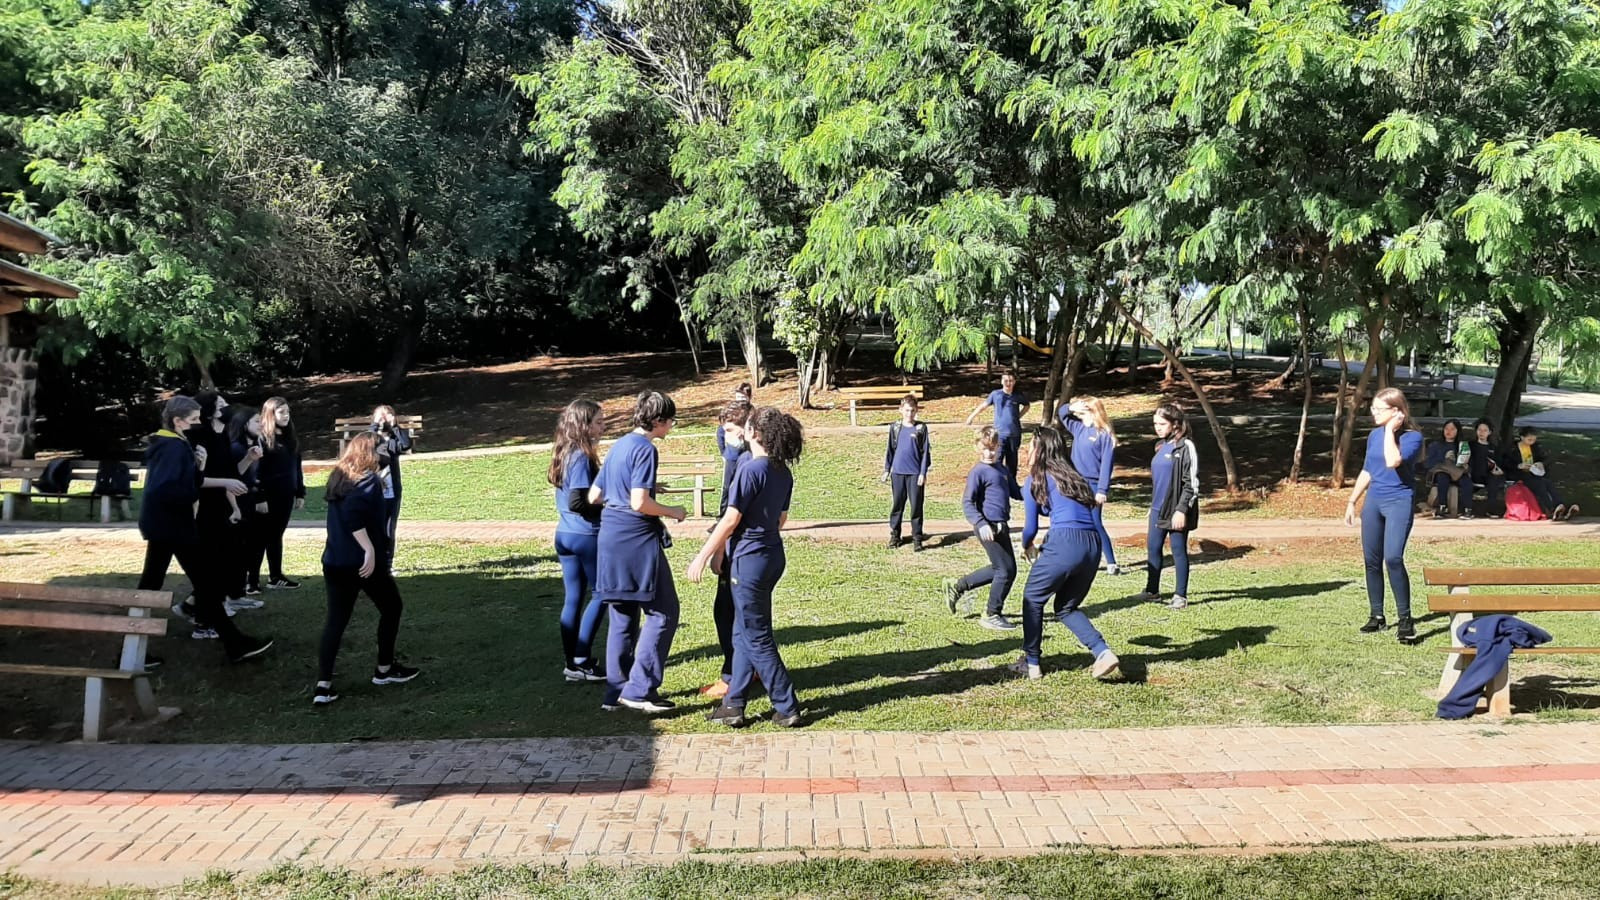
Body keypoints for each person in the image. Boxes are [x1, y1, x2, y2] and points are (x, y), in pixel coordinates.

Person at [689, 406, 805, 728]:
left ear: (754, 433)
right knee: (742, 632)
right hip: (771, 556)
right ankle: (733, 704)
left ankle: (786, 706)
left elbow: (730, 519)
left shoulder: (751, 469)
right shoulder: (782, 471)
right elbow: (781, 519)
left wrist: (702, 556)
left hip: (749, 562)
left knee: (757, 637)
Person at [136, 396, 272, 662]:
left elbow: (183, 479)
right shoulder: (172, 446)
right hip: (171, 526)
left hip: (165, 525)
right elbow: (165, 488)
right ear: (178, 421)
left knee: (163, 583)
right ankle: (234, 643)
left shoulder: (172, 442)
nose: (198, 424)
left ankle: (132, 651)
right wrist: (192, 496)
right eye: (194, 419)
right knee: (203, 583)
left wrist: (199, 465)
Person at [590, 390, 687, 714]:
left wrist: (641, 487)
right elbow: (639, 503)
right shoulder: (646, 448)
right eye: (671, 420)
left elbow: (594, 496)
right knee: (664, 612)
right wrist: (673, 511)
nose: (671, 426)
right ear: (658, 420)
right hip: (636, 539)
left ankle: (615, 694)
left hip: (610, 536)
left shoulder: (618, 445)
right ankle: (640, 690)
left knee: (622, 613)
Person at [314, 432, 418, 705]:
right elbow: (353, 517)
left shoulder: (340, 477)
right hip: (362, 563)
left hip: (334, 561)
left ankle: (323, 686)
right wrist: (369, 549)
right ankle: (384, 670)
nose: (387, 453)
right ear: (370, 452)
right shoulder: (368, 480)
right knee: (392, 607)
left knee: (336, 621)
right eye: (382, 448)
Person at [1016, 424, 1120, 681]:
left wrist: (1026, 545)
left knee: (1033, 599)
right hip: (1092, 545)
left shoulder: (1035, 479)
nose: (1026, 450)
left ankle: (1031, 664)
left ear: (1040, 450)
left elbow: (1030, 528)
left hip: (1065, 541)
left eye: (1030, 445)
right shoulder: (1075, 478)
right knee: (1065, 607)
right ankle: (1103, 652)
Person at [1344, 387, 1426, 643]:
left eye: (1379, 409)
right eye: (1373, 408)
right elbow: (1369, 469)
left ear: (1397, 411)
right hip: (1374, 501)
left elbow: (1393, 461)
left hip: (1399, 501)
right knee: (1371, 560)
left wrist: (1390, 431)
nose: (1374, 413)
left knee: (1393, 558)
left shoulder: (1413, 438)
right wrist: (1352, 501)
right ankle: (1377, 615)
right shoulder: (1374, 435)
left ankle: (1405, 619)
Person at [548, 399, 608, 683]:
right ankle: (582, 661)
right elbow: (578, 502)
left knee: (573, 598)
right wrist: (610, 504)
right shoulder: (581, 456)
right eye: (599, 422)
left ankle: (571, 663)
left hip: (565, 534)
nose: (604, 427)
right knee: (602, 593)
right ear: (583, 426)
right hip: (585, 535)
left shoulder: (564, 451)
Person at [944, 426, 1022, 630]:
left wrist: (1037, 490)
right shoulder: (978, 472)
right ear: (977, 447)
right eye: (985, 448)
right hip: (987, 527)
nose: (989, 453)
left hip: (1001, 526)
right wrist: (981, 523)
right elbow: (968, 503)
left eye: (993, 448)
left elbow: (1016, 492)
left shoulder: (1002, 470)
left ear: (998, 447)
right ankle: (992, 614)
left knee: (1005, 569)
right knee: (1004, 571)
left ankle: (958, 586)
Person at [704, 399, 754, 698]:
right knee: (741, 613)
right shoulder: (754, 458)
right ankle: (748, 669)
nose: (727, 437)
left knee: (727, 613)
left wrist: (717, 551)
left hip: (737, 547)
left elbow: (731, 514)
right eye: (724, 431)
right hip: (752, 547)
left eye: (732, 430)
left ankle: (733, 675)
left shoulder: (743, 461)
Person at [1133, 403, 1200, 610]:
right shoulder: (1160, 446)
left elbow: (1191, 484)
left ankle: (1180, 596)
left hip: (1176, 509)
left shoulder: (1186, 446)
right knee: (1153, 548)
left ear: (1175, 424)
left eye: (1162, 424)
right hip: (1157, 509)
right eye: (1155, 424)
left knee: (1178, 551)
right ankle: (1152, 590)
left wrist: (1181, 510)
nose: (1157, 428)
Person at [1058, 396, 1122, 575]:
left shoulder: (1104, 434)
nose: (1079, 413)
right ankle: (1078, 558)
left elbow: (1106, 465)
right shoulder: (1078, 428)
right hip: (1076, 483)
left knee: (1095, 522)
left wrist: (1102, 489)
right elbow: (1062, 413)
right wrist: (1071, 407)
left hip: (1093, 485)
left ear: (1093, 411)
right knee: (1075, 520)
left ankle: (1111, 562)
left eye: (1084, 409)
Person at [253, 396, 305, 591]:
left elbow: (296, 467)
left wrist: (300, 492)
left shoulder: (290, 437)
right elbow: (256, 471)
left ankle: (275, 576)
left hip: (286, 495)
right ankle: (252, 581)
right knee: (260, 538)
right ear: (270, 414)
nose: (286, 416)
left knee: (276, 536)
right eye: (281, 412)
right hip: (267, 497)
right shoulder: (262, 438)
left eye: (288, 412)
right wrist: (259, 496)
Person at [225, 410, 267, 605]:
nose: (262, 424)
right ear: (244, 425)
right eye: (257, 421)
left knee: (245, 551)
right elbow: (233, 476)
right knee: (236, 553)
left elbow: (249, 476)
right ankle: (231, 595)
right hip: (237, 505)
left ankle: (237, 594)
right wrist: (236, 508)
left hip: (247, 502)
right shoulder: (235, 447)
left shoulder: (253, 446)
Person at [883, 394, 932, 551]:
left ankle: (917, 537)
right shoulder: (895, 428)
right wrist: (887, 469)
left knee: (916, 505)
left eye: (912, 410)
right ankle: (895, 535)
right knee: (898, 504)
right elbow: (890, 450)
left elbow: (925, 453)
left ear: (916, 410)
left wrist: (923, 473)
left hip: (915, 474)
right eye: (906, 410)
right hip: (898, 472)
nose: (909, 414)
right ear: (900, 410)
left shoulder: (921, 428)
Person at [963, 370, 1029, 484]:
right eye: (1006, 380)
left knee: (1012, 463)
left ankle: (1011, 485)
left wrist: (1018, 416)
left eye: (1011, 381)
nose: (1008, 383)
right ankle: (996, 483)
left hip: (1014, 434)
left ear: (1014, 382)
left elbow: (1027, 406)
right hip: (1000, 434)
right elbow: (983, 406)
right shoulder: (996, 394)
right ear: (1002, 381)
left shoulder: (1018, 396)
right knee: (997, 460)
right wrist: (971, 417)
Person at [1505, 426, 1577, 521]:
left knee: (1548, 483)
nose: (1531, 442)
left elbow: (1545, 458)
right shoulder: (1512, 449)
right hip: (1519, 475)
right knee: (1539, 485)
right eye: (1529, 439)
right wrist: (1518, 466)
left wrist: (1541, 463)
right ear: (1522, 437)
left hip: (1534, 473)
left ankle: (1561, 506)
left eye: (1534, 440)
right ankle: (1551, 509)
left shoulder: (1535, 447)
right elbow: (1506, 463)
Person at [370, 405, 413, 545]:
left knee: (389, 529)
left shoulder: (393, 440)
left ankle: (388, 557)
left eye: (387, 415)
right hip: (373, 491)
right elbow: (365, 446)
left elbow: (406, 445)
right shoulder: (372, 439)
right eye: (381, 416)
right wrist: (375, 425)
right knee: (373, 528)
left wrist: (395, 426)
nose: (384, 419)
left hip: (392, 491)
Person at [1423, 419, 1474, 518]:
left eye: (1452, 429)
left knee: (1466, 482)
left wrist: (1465, 464)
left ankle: (1467, 509)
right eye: (1446, 428)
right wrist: (1443, 457)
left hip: (1457, 472)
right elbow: (1428, 463)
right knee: (1443, 478)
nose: (1448, 431)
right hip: (1441, 471)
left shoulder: (1462, 445)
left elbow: (1469, 463)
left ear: (1458, 431)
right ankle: (1442, 507)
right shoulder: (1436, 445)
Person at [1467, 418, 1507, 518]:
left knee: (1494, 480)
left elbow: (1499, 463)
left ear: (1489, 432)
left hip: (1489, 475)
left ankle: (1491, 510)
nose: (1482, 433)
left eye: (1485, 430)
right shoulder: (1470, 445)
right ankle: (1467, 510)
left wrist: (1498, 470)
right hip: (1473, 473)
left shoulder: (1493, 448)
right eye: (1479, 430)